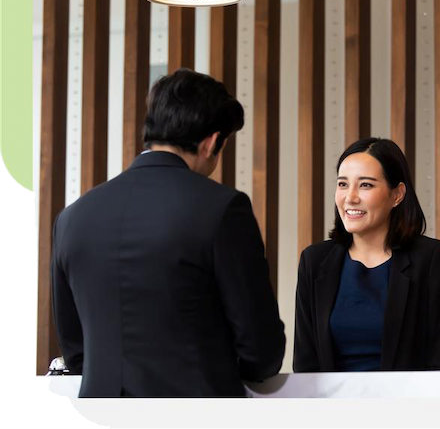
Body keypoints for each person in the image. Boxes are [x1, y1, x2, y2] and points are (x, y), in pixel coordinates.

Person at [51, 68, 285, 397]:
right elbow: (260, 350)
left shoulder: (72, 218)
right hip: (197, 413)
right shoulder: (222, 208)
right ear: (212, 142)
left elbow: (76, 352)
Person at [293, 137, 440, 372]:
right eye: (343, 184)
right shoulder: (314, 261)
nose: (350, 197)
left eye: (365, 185)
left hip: (407, 397)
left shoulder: (432, 259)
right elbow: (305, 365)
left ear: (397, 194)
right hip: (330, 398)